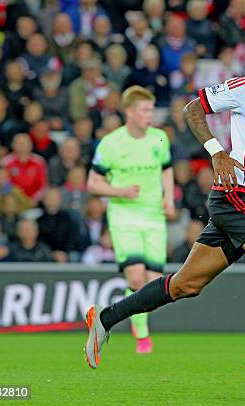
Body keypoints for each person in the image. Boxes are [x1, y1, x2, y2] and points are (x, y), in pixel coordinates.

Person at [84, 28, 245, 378]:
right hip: (237, 193)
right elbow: (193, 110)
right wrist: (217, 151)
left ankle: (105, 317)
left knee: (185, 285)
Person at [87, 85, 175, 354]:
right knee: (137, 278)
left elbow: (166, 170)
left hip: (154, 217)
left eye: (151, 109)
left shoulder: (159, 138)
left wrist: (169, 198)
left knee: (154, 283)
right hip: (124, 215)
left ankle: (126, 325)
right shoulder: (111, 143)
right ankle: (143, 339)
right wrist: (119, 191)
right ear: (129, 112)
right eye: (144, 110)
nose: (150, 115)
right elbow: (92, 183)